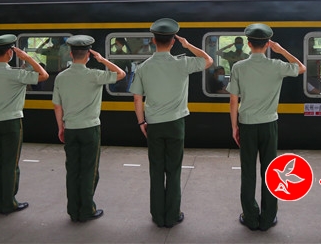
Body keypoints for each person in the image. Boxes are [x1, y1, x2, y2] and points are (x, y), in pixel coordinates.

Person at [130, 18, 213, 228]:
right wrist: (188, 45)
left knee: (156, 170)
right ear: (173, 41)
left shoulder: (143, 67)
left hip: (154, 125)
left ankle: (158, 215)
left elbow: (137, 98)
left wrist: (141, 122)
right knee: (174, 170)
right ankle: (172, 215)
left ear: (153, 40)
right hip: (176, 124)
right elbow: (208, 60)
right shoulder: (182, 63)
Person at [227, 23, 306, 232]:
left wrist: (234, 127)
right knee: (270, 171)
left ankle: (250, 217)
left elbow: (233, 101)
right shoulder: (276, 65)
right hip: (269, 125)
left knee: (248, 172)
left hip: (247, 125)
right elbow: (301, 68)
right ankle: (268, 217)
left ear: (248, 43)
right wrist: (281, 51)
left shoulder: (238, 67)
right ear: (268, 44)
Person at [52, 35, 126, 222]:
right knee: (89, 170)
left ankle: (73, 210)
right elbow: (120, 74)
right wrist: (102, 60)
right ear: (88, 56)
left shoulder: (61, 77)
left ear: (71, 54)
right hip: (90, 129)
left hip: (70, 129)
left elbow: (57, 106)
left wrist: (61, 127)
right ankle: (86, 210)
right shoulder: (94, 75)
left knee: (72, 170)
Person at [0, 34, 49, 214]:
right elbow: (44, 75)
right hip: (11, 123)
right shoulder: (16, 74)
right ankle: (9, 202)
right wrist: (27, 58)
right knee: (10, 163)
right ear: (10, 52)